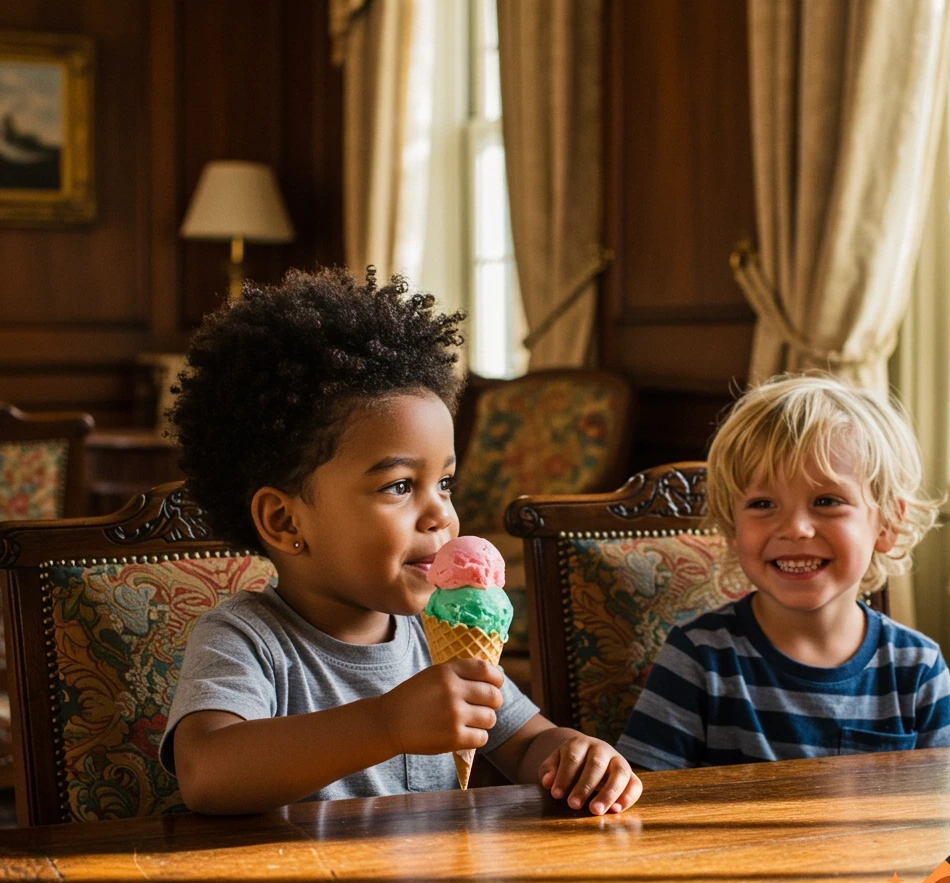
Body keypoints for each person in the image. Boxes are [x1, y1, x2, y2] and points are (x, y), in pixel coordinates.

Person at [159, 267, 642, 816]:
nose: (441, 513)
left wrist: (575, 754)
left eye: (444, 483)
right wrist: (386, 724)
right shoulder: (247, 639)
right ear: (286, 522)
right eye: (398, 486)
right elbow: (207, 773)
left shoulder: (439, 630)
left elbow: (528, 742)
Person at [616, 373, 950, 770]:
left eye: (827, 500)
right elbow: (642, 806)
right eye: (763, 504)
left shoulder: (917, 667)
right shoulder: (698, 657)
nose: (795, 528)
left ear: (886, 524)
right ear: (733, 529)